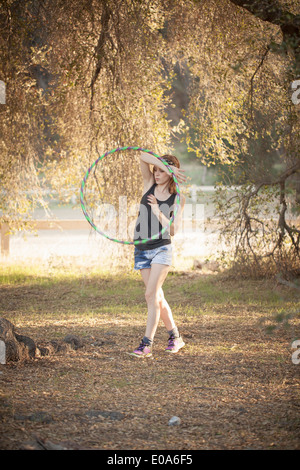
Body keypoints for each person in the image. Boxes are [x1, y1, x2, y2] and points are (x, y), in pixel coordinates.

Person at [130, 151, 187, 357]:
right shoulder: (148, 185)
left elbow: (173, 230)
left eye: (162, 171)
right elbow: (142, 155)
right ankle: (175, 336)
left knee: (150, 295)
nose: (156, 173)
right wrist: (165, 165)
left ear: (170, 174)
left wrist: (157, 211)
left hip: (162, 249)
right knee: (157, 297)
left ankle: (146, 344)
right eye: (156, 169)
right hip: (141, 250)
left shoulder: (178, 197)